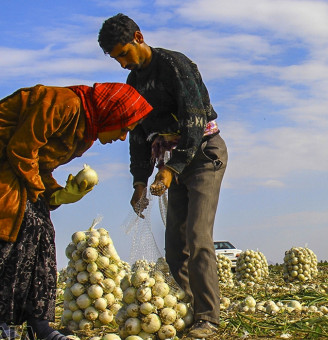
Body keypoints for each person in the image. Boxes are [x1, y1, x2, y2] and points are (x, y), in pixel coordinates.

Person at [0, 83, 152, 340]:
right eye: (124, 128)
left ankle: (36, 323)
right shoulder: (64, 103)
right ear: (112, 113)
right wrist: (42, 190)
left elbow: (41, 162)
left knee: (39, 231)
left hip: (15, 167)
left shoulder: (84, 130)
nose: (122, 137)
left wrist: (58, 194)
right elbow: (22, 148)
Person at [98, 14, 228, 339]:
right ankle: (183, 310)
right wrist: (139, 181)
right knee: (174, 245)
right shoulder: (134, 84)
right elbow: (138, 135)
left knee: (197, 238)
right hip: (171, 159)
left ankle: (208, 318)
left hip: (202, 155)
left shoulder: (174, 66)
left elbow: (194, 120)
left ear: (138, 37)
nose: (123, 63)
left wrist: (171, 169)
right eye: (116, 59)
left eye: (124, 54)